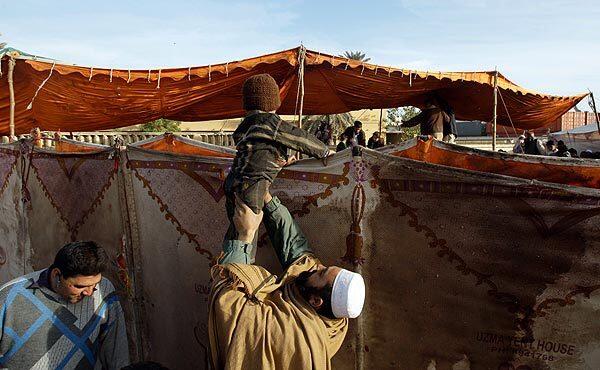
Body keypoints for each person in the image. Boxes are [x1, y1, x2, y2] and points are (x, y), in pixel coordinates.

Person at [209, 193, 365, 369]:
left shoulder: (283, 333)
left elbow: (228, 303)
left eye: (321, 273)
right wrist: (267, 199)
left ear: (315, 301)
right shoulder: (335, 321)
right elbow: (300, 254)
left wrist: (246, 234)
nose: (316, 267)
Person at [224, 74, 332, 243]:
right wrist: (324, 151)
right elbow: (299, 138)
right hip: (253, 184)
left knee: (235, 229)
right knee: (247, 234)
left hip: (232, 182)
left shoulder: (245, 126)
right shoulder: (269, 122)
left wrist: (281, 159)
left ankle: (230, 260)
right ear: (272, 102)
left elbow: (262, 151)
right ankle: (242, 266)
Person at [0, 241, 129, 369]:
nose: (90, 292)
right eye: (79, 286)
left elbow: (117, 357)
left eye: (95, 284)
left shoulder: (104, 289)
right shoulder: (9, 296)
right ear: (57, 275)